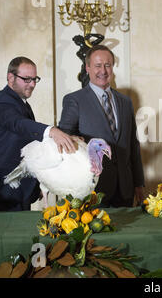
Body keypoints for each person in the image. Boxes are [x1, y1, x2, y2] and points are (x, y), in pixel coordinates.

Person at [0, 56, 77, 212]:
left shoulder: (21, 102)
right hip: (2, 191)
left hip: (18, 189)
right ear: (10, 77)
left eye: (34, 79)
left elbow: (29, 143)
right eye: (26, 79)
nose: (32, 84)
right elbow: (19, 124)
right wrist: (52, 131)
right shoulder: (3, 101)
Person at [59, 45, 145, 208]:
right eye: (98, 65)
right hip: (92, 190)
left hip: (125, 189)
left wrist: (138, 183)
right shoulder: (74, 100)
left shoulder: (125, 102)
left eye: (108, 65)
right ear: (88, 68)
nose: (103, 71)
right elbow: (65, 141)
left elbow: (133, 145)